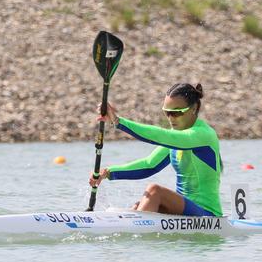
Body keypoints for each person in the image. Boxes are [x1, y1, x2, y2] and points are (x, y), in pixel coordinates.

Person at [89, 83, 222, 216]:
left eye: (176, 113)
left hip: (207, 214)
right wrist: (107, 172)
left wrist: (118, 121)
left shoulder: (203, 135)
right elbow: (149, 165)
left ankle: (134, 229)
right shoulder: (177, 137)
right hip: (184, 212)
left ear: (194, 108)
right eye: (167, 112)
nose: (170, 118)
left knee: (154, 191)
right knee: (140, 204)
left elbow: (160, 135)